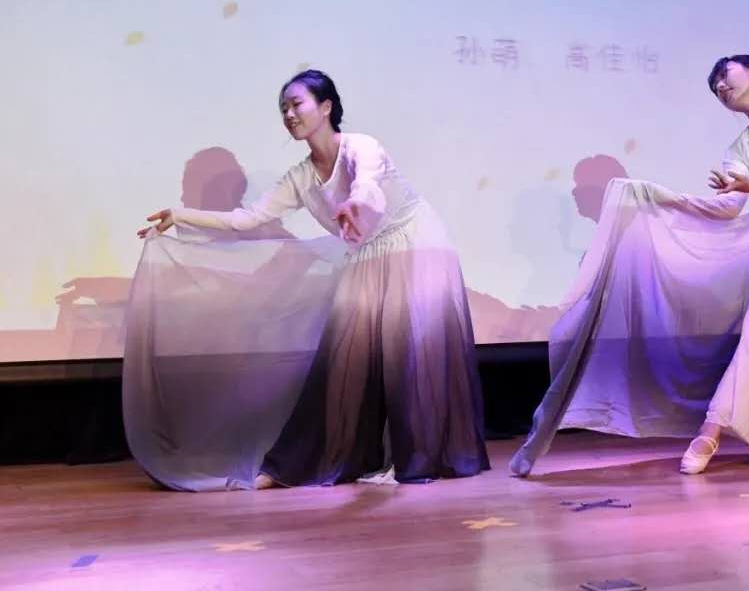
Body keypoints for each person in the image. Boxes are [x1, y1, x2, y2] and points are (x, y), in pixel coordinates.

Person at [509, 54, 749, 477]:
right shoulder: (740, 149)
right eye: (714, 84)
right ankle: (710, 431)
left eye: (724, 74)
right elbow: (726, 208)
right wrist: (659, 196)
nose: (720, 86)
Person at [130, 69, 489, 489]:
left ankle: (416, 460)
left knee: (408, 350)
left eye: (296, 103)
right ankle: (306, 464)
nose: (289, 114)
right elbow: (248, 219)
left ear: (326, 107)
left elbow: (368, 184)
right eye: (283, 108)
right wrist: (180, 215)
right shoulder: (300, 178)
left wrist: (354, 205)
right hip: (369, 251)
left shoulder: (361, 146)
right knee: (345, 355)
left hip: (415, 243)